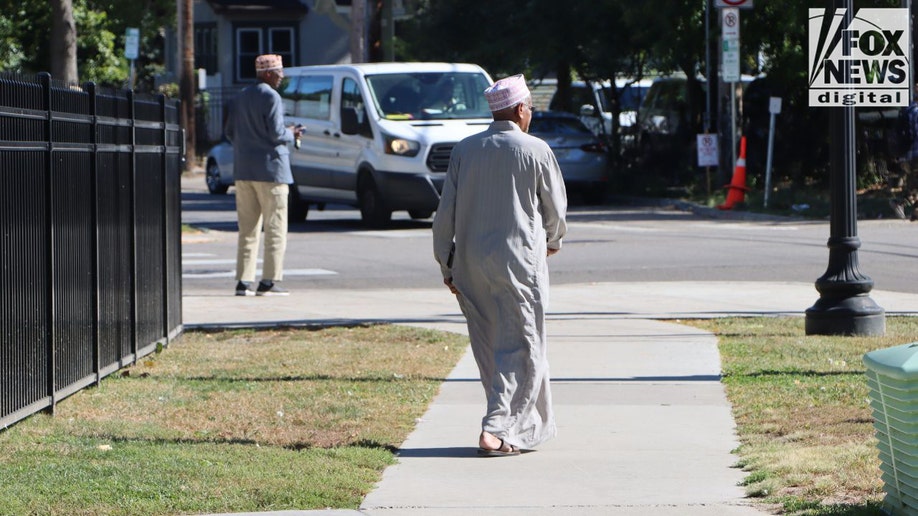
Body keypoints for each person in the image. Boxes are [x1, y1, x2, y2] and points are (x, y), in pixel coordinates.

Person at [431, 74, 568, 457]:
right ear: (521, 109)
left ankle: (511, 426)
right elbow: (555, 210)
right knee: (522, 346)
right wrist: (553, 242)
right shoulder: (535, 149)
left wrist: (447, 263)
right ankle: (498, 429)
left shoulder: (465, 150)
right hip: (518, 262)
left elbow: (445, 215)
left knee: (490, 345)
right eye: (530, 109)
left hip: (470, 263)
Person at [224, 54, 304, 296]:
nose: (282, 77)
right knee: (275, 227)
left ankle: (243, 281)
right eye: (279, 72)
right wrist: (293, 133)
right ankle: (269, 281)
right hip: (272, 171)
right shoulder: (272, 96)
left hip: (244, 170)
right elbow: (277, 134)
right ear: (268, 74)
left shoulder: (241, 97)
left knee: (247, 229)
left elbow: (229, 132)